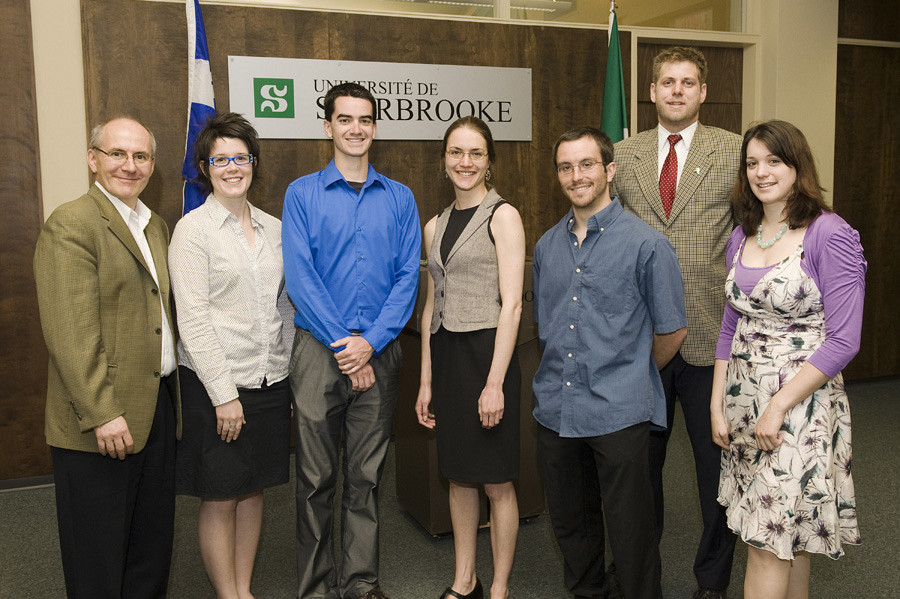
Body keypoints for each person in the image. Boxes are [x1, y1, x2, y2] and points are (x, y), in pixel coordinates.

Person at [711, 120, 865, 599]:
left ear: (798, 166)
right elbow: (731, 323)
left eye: (774, 160)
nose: (762, 172)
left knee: (766, 539)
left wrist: (777, 405)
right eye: (752, 163)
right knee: (789, 536)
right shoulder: (745, 234)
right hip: (744, 400)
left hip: (798, 406)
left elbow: (844, 340)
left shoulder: (829, 233)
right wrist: (717, 401)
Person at [533, 126, 687, 599]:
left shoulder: (647, 245)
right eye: (565, 166)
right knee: (572, 530)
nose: (575, 175)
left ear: (609, 170)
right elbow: (548, 328)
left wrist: (629, 374)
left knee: (631, 535)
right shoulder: (546, 247)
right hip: (557, 411)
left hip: (619, 411)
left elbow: (672, 331)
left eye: (586, 164)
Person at [610, 45, 741, 599]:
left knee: (716, 474)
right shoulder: (622, 153)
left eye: (688, 82)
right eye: (668, 81)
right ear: (653, 90)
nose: (677, 91)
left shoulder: (736, 152)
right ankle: (640, 576)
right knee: (639, 473)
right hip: (642, 343)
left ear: (703, 92)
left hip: (715, 339)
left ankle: (711, 582)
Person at [282, 82, 421, 599]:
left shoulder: (400, 197)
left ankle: (361, 583)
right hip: (320, 352)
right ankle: (316, 588)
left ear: (375, 128)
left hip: (381, 352)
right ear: (328, 127)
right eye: (345, 119)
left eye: (365, 119)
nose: (356, 128)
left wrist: (373, 342)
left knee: (366, 476)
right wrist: (347, 345)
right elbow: (301, 278)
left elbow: (408, 276)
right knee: (317, 479)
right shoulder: (302, 194)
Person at [33, 116, 180, 598]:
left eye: (140, 156)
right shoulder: (72, 223)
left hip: (154, 406)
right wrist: (103, 412)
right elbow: (70, 332)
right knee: (97, 553)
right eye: (117, 153)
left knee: (149, 547)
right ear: (93, 159)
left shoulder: (153, 225)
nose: (129, 165)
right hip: (100, 418)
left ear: (152, 166)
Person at [168, 112, 292, 599]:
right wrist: (223, 395)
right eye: (221, 159)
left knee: (253, 486)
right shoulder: (193, 231)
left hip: (268, 380)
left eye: (241, 157)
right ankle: (228, 593)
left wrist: (284, 376)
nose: (233, 167)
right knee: (219, 494)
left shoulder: (274, 228)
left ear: (253, 163)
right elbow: (193, 319)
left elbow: (283, 304)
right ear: (205, 167)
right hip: (217, 384)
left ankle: (244, 588)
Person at [415, 116, 526, 599]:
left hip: (488, 357)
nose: (465, 162)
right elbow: (428, 307)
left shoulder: (503, 215)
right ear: (444, 160)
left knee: (497, 481)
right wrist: (425, 381)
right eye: (456, 152)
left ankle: (499, 586)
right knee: (458, 475)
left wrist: (495, 382)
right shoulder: (433, 225)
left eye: (475, 153)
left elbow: (514, 303)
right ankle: (466, 580)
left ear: (489, 161)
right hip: (447, 357)